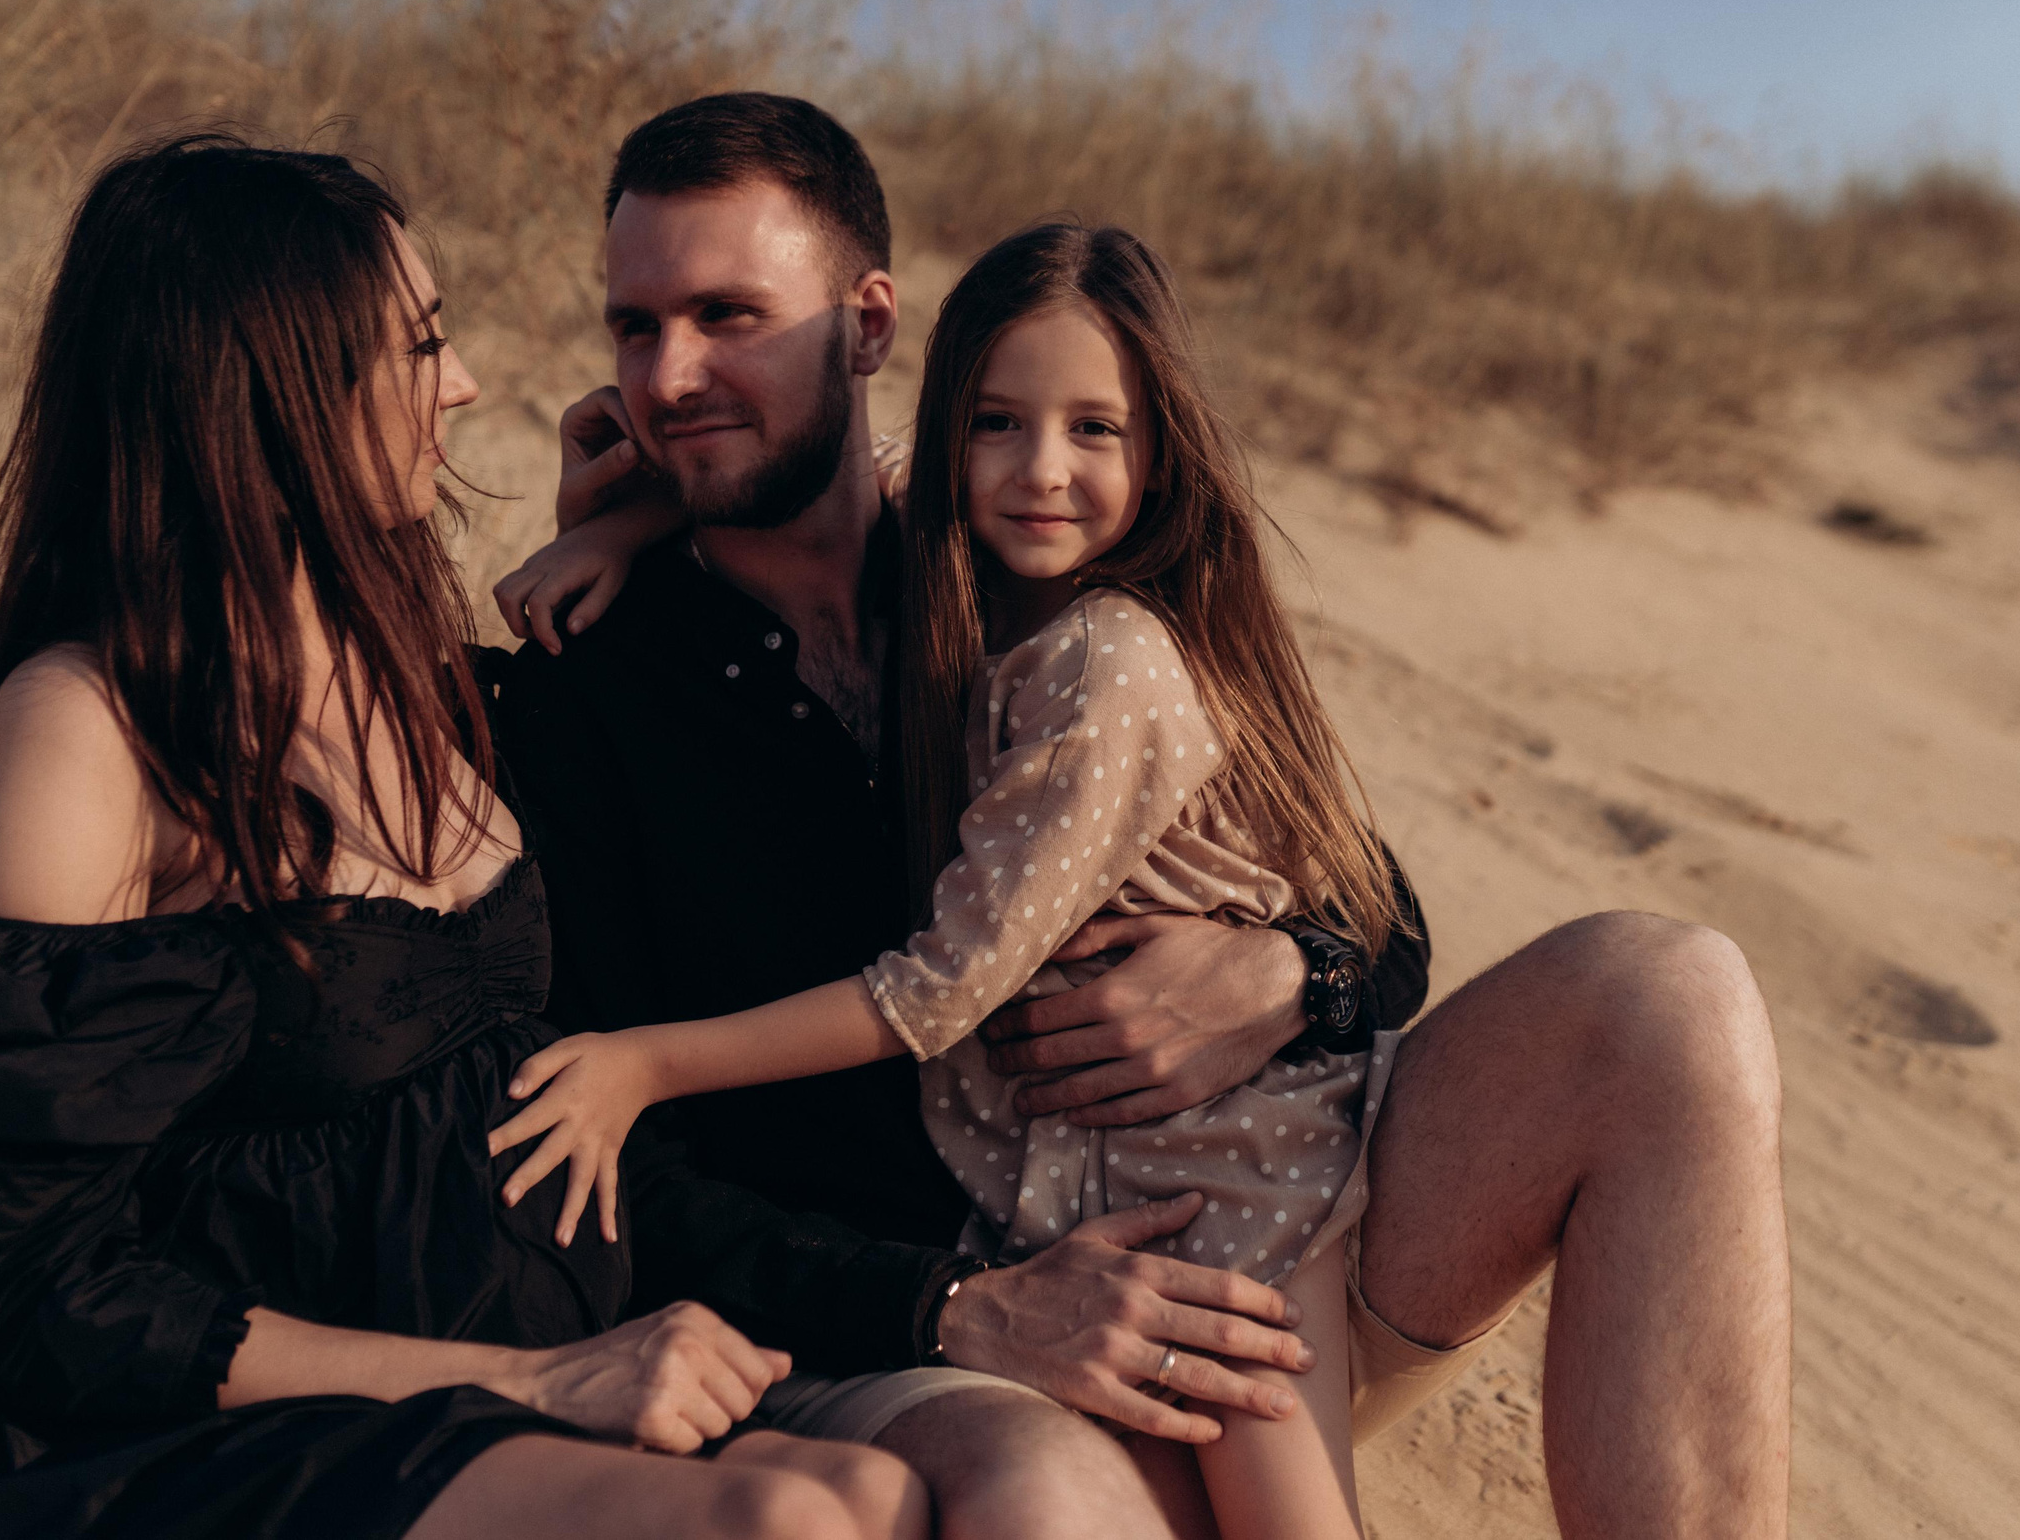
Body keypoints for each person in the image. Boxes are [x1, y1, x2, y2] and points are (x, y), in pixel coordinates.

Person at [497, 92, 1794, 1539]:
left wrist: (1287, 978)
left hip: (1254, 1222)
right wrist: (962, 1309)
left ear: (866, 328)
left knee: (1667, 992)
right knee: (1051, 1508)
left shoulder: (1013, 557)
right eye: (633, 325)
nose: (673, 374)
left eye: (730, 315)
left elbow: (1370, 903)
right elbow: (613, 1166)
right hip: (973, 1348)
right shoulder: (581, 693)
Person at [0, 133, 926, 1540]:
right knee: (778, 1525)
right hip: (190, 1430)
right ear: (270, 386)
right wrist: (533, 1379)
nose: (461, 385)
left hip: (480, 1390)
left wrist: (644, 519)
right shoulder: (93, 726)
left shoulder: (426, 680)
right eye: (419, 346)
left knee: (867, 1492)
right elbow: (20, 1286)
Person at [491, 219, 1410, 1539]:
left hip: (1229, 1164)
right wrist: (630, 518)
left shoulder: (1105, 668)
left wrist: (649, 1063)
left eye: (1099, 430)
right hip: (1091, 1180)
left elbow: (938, 991)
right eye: (997, 424)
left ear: (1164, 452)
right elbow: (841, 468)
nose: (1041, 470)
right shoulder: (964, 576)